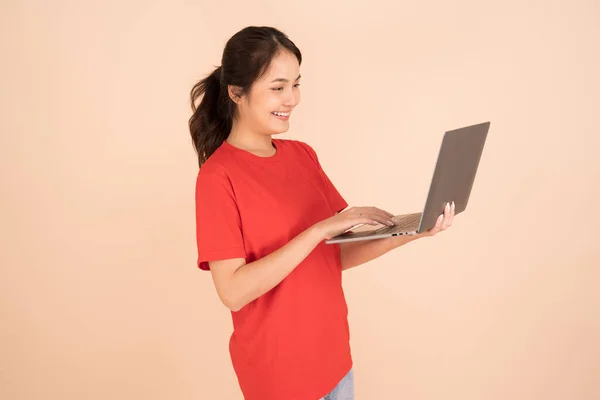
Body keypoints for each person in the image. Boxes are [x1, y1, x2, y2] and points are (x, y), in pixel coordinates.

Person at [188, 26, 455, 400]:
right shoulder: (218, 178)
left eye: (296, 84)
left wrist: (414, 231)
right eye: (277, 87)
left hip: (335, 364)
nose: (292, 98)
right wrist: (316, 231)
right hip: (279, 379)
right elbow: (233, 292)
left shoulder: (302, 156)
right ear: (236, 92)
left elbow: (334, 255)